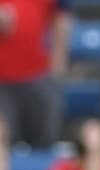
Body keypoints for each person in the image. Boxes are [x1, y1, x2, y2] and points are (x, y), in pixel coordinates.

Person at [0, 0, 71, 147]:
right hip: (2, 80)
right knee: (3, 142)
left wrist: (57, 65)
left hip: (39, 75)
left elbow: (61, 18)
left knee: (45, 138)